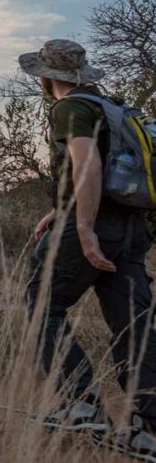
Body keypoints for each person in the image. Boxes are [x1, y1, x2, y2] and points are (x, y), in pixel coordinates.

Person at [20, 39, 156, 456]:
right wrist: (57, 210)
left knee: (43, 302)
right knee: (134, 324)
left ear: (47, 78)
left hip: (96, 228)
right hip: (132, 230)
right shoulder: (113, 108)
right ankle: (147, 430)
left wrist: (82, 226)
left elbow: (88, 166)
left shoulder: (69, 108)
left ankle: (81, 405)